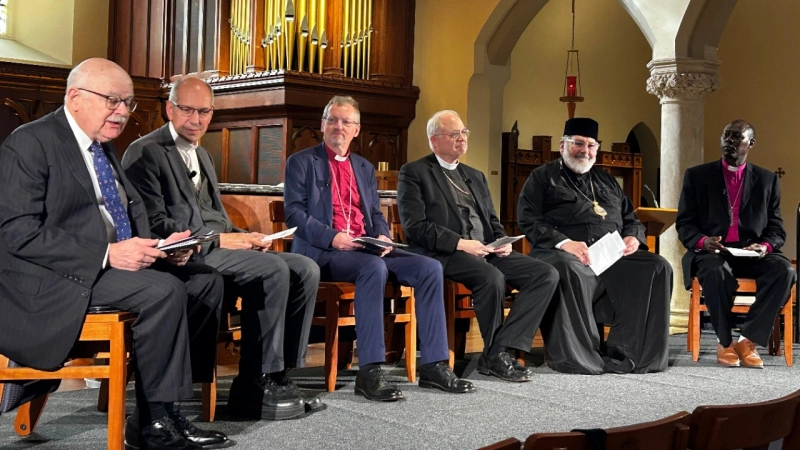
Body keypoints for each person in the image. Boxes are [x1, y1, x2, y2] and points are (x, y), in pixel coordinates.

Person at [0, 58, 231, 450]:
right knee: (162, 292)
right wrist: (107, 254)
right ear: (75, 97)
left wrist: (160, 248)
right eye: (112, 100)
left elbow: (121, 215)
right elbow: (16, 233)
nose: (122, 112)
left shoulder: (100, 145)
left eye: (127, 103)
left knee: (204, 279)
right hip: (54, 278)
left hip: (107, 267)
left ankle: (163, 409)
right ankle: (153, 423)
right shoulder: (31, 142)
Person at [122, 76, 324, 419]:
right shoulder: (145, 152)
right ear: (169, 108)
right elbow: (152, 224)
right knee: (273, 270)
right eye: (187, 109)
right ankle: (251, 384)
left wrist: (246, 236)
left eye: (204, 111)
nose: (196, 119)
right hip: (186, 254)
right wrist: (220, 240)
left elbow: (215, 214)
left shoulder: (202, 153)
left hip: (219, 247)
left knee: (304, 267)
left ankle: (279, 375)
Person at [284, 95, 475, 401]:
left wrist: (383, 236)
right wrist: (333, 237)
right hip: (326, 252)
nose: (339, 127)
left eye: (346, 122)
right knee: (373, 268)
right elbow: (294, 214)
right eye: (332, 120)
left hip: (365, 247)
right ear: (322, 125)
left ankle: (434, 364)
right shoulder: (302, 162)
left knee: (429, 268)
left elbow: (373, 214)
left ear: (357, 130)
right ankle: (370, 370)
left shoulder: (363, 166)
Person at [397, 110, 558, 382]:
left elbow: (492, 220)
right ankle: (496, 356)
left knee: (546, 274)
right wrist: (460, 243)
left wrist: (501, 241)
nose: (462, 139)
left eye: (464, 133)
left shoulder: (475, 175)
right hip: (444, 253)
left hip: (486, 250)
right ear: (434, 141)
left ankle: (498, 350)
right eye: (454, 134)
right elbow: (415, 226)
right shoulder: (415, 172)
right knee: (491, 277)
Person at [517, 117, 671, 375]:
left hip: (609, 255)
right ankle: (581, 356)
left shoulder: (607, 181)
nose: (584, 151)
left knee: (657, 267)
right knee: (570, 269)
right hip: (560, 253)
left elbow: (631, 219)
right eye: (578, 143)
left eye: (590, 145)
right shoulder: (542, 177)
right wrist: (564, 242)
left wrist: (633, 236)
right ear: (562, 144)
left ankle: (633, 354)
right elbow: (528, 219)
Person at [676, 119, 795, 368]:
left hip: (750, 252)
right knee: (714, 269)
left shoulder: (766, 180)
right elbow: (685, 223)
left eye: (736, 137)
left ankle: (747, 339)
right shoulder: (698, 176)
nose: (729, 141)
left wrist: (764, 246)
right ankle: (724, 340)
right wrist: (702, 240)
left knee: (785, 270)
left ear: (750, 143)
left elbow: (776, 229)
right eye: (726, 135)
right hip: (713, 251)